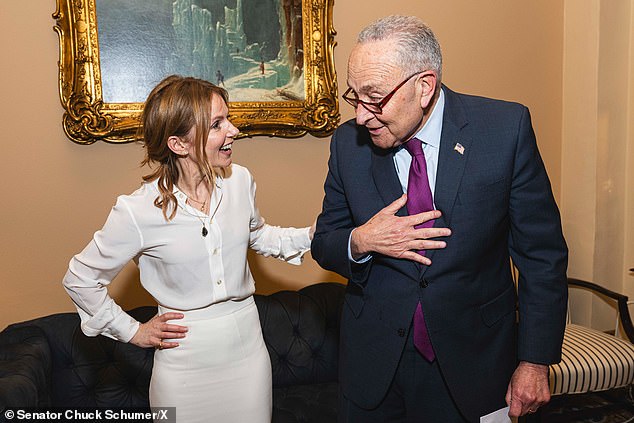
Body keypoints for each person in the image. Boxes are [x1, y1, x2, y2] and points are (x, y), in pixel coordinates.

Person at [311, 15, 568, 423]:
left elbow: (542, 257)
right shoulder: (348, 145)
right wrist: (360, 241)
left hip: (475, 364)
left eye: (374, 98)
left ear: (424, 86)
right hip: (374, 368)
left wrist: (535, 362)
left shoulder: (504, 130)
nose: (361, 116)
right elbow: (325, 242)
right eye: (354, 97)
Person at [62, 75, 313, 422]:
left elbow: (257, 235)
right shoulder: (137, 211)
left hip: (248, 356)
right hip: (183, 368)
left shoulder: (240, 181)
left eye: (228, 118)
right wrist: (133, 331)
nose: (234, 130)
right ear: (179, 144)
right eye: (217, 125)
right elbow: (80, 278)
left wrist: (318, 234)